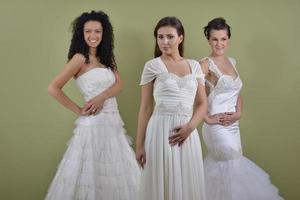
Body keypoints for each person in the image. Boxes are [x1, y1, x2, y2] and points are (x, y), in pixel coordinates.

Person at [45, 10, 140, 200]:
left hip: (114, 123)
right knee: (91, 173)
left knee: (116, 173)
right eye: (88, 31)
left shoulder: (107, 57)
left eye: (97, 31)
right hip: (94, 124)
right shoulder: (79, 59)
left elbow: (119, 84)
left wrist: (102, 97)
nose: (93, 36)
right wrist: (79, 111)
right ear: (81, 33)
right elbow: (53, 88)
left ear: (104, 33)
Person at [200, 17, 283, 200]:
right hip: (217, 127)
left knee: (227, 170)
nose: (219, 43)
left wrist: (238, 113)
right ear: (208, 40)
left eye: (223, 39)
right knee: (230, 165)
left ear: (228, 40)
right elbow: (193, 96)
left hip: (233, 126)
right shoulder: (205, 64)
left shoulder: (232, 62)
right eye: (215, 39)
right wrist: (207, 118)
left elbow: (236, 94)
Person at [135, 16, 207, 200]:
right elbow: (145, 108)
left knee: (186, 184)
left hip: (187, 133)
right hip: (160, 132)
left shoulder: (195, 66)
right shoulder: (152, 66)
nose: (164, 42)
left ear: (180, 38)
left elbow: (202, 104)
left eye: (169, 37)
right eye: (160, 37)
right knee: (162, 184)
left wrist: (189, 128)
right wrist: (139, 145)